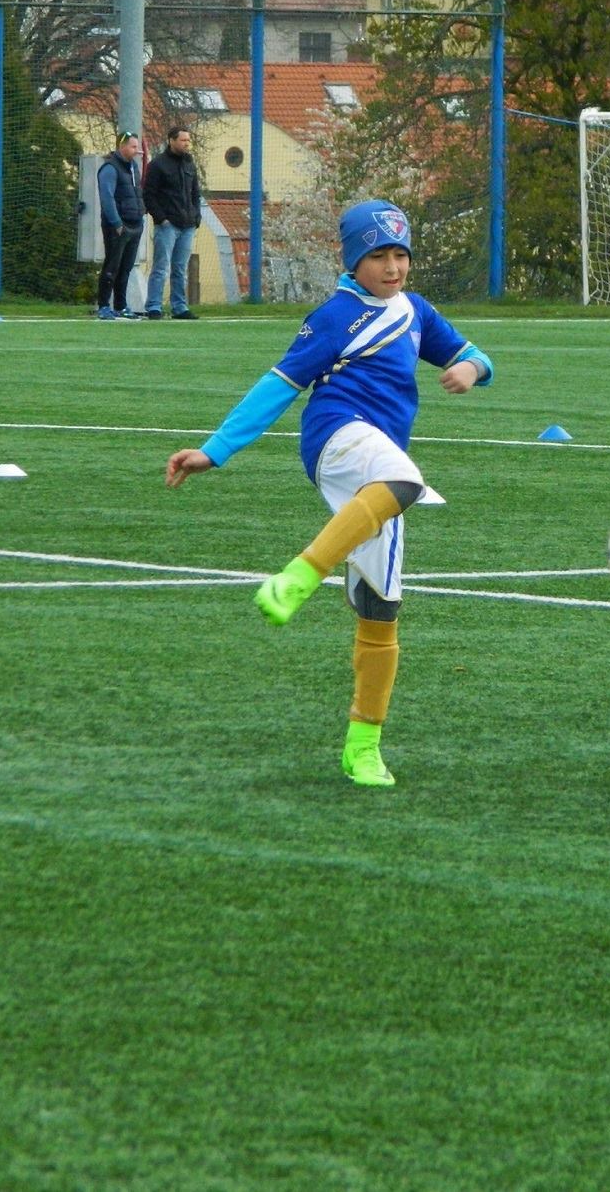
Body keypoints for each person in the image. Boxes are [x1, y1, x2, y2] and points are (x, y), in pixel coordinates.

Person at [163, 200, 493, 788]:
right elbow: (278, 384)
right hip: (336, 436)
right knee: (407, 482)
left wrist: (472, 369)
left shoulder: (414, 310)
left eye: (400, 255)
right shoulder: (336, 316)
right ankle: (299, 575)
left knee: (381, 609)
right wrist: (215, 449)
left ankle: (362, 747)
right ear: (353, 260)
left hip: (378, 459)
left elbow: (473, 355)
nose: (392, 267)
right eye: (378, 256)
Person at [144, 125, 202, 320]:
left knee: (180, 268)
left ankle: (179, 306)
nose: (187, 144)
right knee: (161, 267)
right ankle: (154, 306)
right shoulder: (158, 165)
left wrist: (196, 216)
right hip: (168, 225)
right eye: (183, 140)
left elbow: (195, 193)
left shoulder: (189, 164)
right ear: (172, 141)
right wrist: (162, 219)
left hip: (187, 225)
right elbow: (149, 195)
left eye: (188, 140)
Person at [96, 131, 145, 320]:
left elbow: (137, 193)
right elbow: (107, 197)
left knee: (126, 268)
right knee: (112, 266)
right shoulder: (110, 168)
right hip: (118, 226)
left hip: (135, 224)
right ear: (122, 146)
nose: (137, 150)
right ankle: (103, 306)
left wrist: (140, 216)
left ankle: (121, 305)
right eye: (133, 146)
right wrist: (116, 223)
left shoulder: (133, 167)